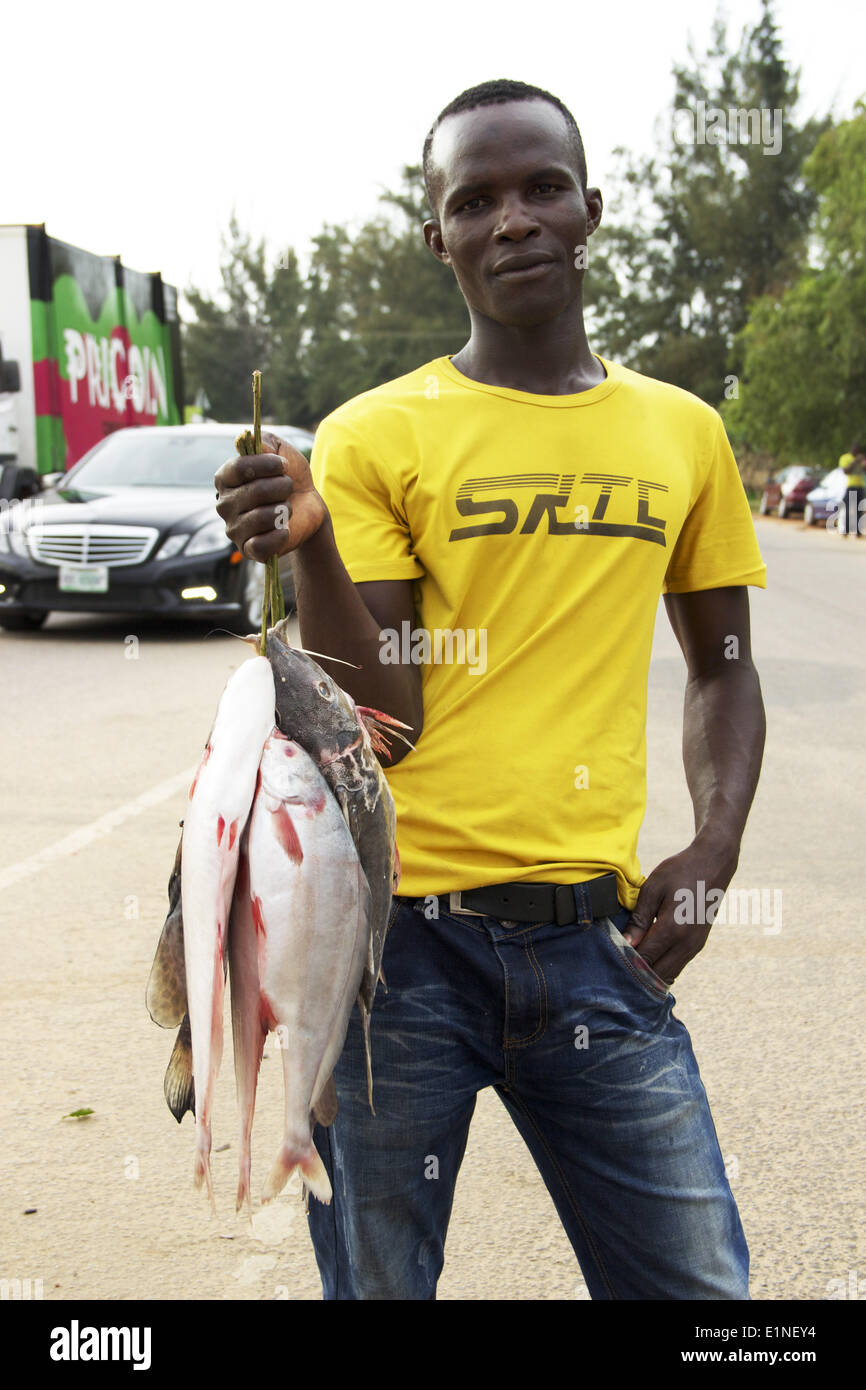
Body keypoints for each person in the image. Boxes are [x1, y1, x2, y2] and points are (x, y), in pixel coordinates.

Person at [215, 79, 767, 1301]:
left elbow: (722, 669)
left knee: (701, 1300)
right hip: (392, 949)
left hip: (597, 949)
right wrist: (309, 540)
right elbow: (383, 723)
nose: (511, 218)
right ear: (438, 238)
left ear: (589, 211)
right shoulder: (374, 436)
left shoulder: (682, 433)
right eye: (475, 199)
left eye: (539, 188)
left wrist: (715, 845)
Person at [838, 439, 865, 537]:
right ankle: (846, 530)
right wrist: (854, 462)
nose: (857, 451)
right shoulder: (845, 457)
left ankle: (858, 531)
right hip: (851, 486)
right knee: (849, 508)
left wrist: (863, 463)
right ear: (852, 449)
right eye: (855, 449)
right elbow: (846, 471)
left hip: (860, 486)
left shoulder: (861, 458)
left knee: (859, 509)